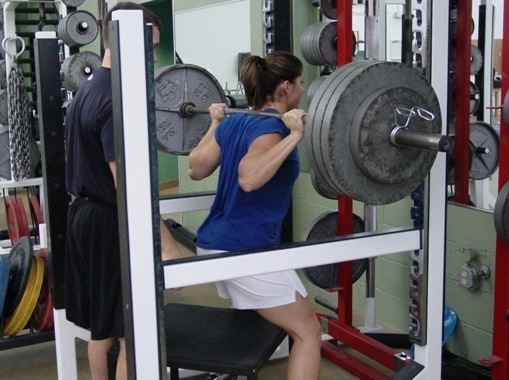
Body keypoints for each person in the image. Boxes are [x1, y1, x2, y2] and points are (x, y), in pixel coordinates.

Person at [64, 3, 183, 379]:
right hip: (107, 222)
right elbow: (127, 187)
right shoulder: (116, 99)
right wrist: (165, 243)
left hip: (83, 216)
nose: (152, 57)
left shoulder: (87, 89)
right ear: (123, 39)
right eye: (149, 47)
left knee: (104, 328)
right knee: (134, 331)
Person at [188, 51, 322, 380]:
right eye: (302, 83)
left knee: (249, 327)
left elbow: (196, 167)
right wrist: (294, 135)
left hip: (214, 240)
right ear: (286, 87)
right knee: (309, 331)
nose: (304, 91)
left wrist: (216, 124)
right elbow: (249, 178)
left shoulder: (235, 122)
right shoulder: (271, 129)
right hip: (243, 248)